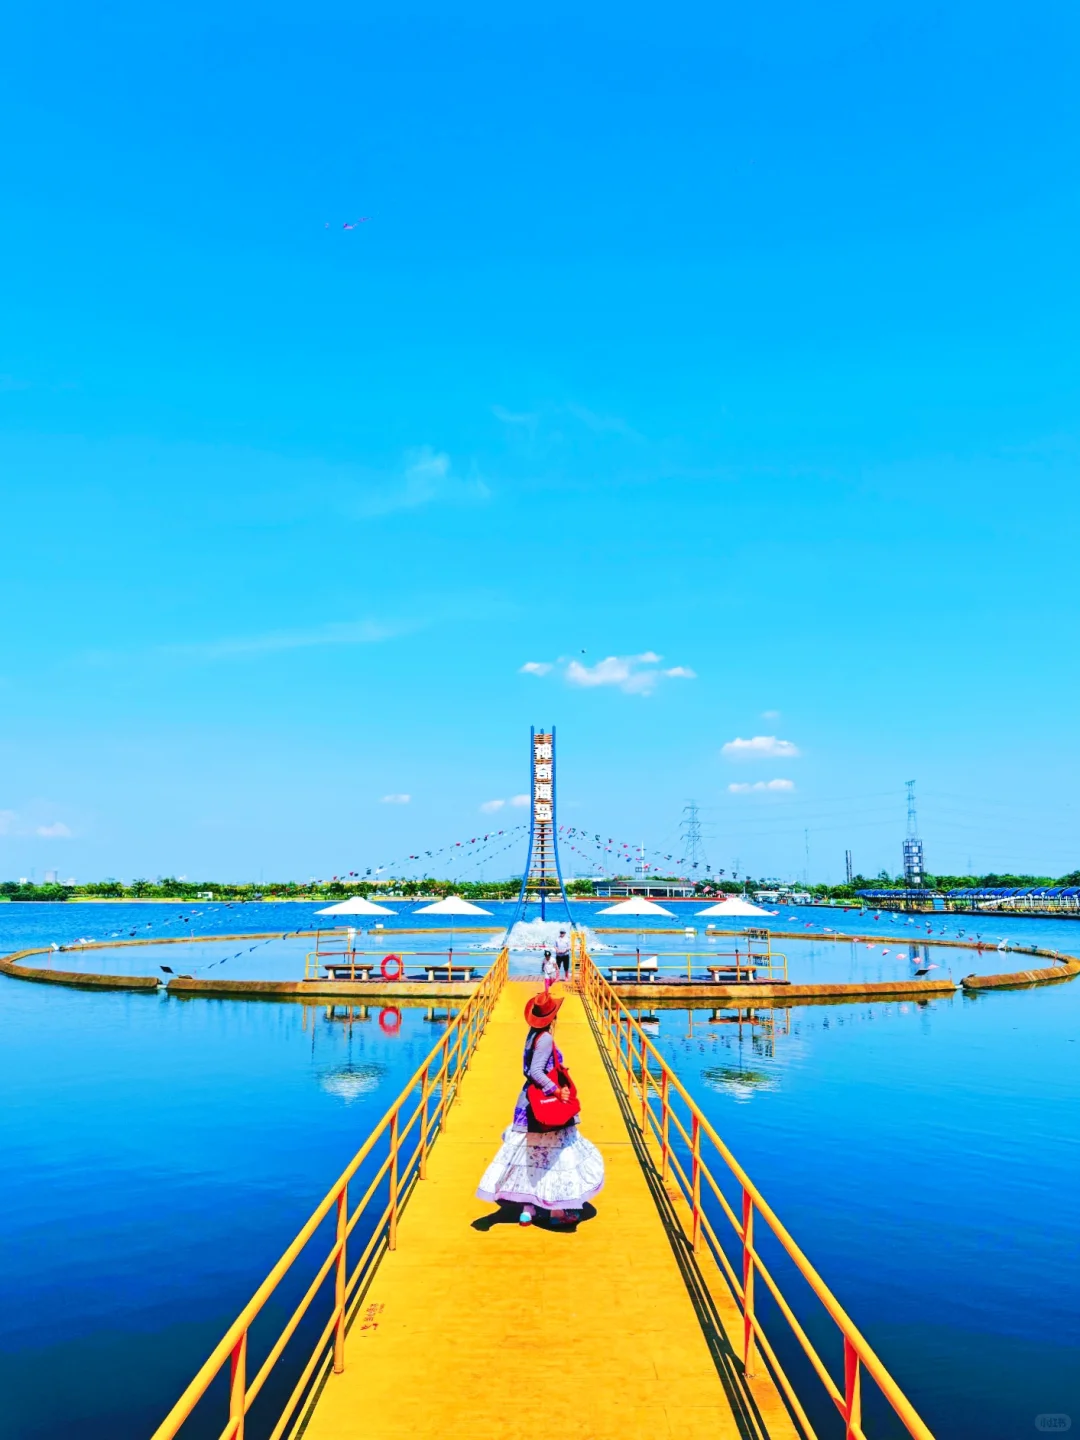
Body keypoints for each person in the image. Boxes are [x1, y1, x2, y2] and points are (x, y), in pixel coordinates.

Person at [477, 991, 604, 1226]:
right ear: (553, 1017)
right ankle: (557, 1212)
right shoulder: (545, 1038)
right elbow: (536, 1072)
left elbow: (534, 1068)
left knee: (531, 1156)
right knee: (554, 1157)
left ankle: (528, 1209)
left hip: (527, 1103)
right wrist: (556, 1090)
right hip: (543, 1104)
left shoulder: (533, 1035)